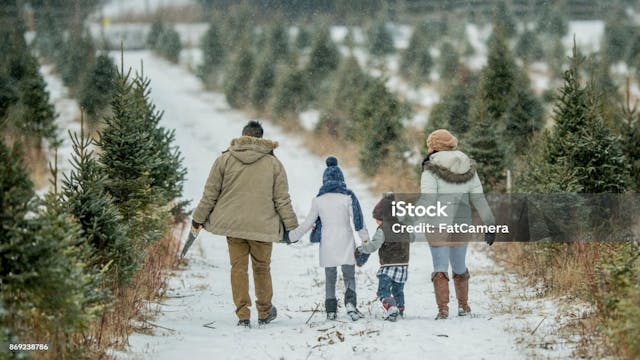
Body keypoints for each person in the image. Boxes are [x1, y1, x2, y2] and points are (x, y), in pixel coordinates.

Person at [191, 120, 298, 328]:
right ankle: (265, 311)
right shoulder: (273, 164)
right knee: (262, 268)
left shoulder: (225, 159)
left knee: (238, 269)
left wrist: (198, 219)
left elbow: (210, 194)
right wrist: (292, 227)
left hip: (234, 226)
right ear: (261, 138)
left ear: (242, 136)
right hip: (263, 227)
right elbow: (282, 199)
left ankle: (243, 315)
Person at [420, 129, 495, 320]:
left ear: (435, 146)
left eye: (429, 143)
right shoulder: (467, 166)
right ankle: (463, 306)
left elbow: (428, 200)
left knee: (440, 266)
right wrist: (490, 223)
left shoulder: (430, 168)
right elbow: (478, 198)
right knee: (459, 265)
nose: (427, 147)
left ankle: (443, 309)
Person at [288, 156, 369, 321]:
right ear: (341, 178)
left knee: (330, 278)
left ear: (324, 180)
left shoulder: (318, 200)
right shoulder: (348, 196)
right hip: (346, 240)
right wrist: (365, 241)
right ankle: (351, 304)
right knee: (349, 276)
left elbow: (308, 223)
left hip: (328, 243)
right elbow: (358, 220)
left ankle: (330, 310)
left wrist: (292, 236)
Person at [356, 192, 410, 322]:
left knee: (383, 291)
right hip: (403, 265)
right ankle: (400, 309)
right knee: (398, 290)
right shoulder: (402, 227)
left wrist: (361, 248)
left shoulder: (383, 229)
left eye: (378, 218)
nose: (376, 221)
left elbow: (373, 246)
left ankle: (392, 308)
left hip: (389, 266)